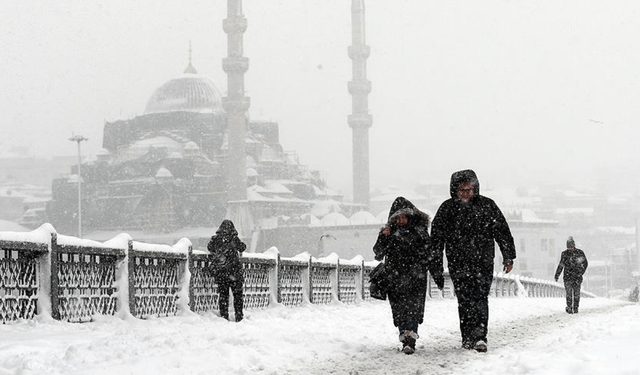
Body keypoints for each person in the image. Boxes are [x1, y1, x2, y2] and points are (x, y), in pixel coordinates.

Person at [430, 169, 516, 353]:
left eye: (469, 189)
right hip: (458, 262)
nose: (466, 194)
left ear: (475, 188)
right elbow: (436, 240)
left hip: (482, 261)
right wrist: (435, 265)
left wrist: (508, 256)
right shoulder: (447, 209)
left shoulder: (487, 206)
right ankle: (467, 337)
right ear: (454, 190)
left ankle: (479, 336)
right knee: (464, 299)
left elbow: (502, 231)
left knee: (480, 298)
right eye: (462, 190)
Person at [373, 197, 444, 355]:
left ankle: (409, 339)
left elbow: (431, 255)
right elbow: (378, 254)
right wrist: (383, 236)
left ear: (411, 216)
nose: (402, 220)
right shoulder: (390, 233)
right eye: (398, 217)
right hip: (395, 278)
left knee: (413, 308)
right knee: (399, 309)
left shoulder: (420, 232)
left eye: (404, 216)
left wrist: (437, 274)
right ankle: (405, 336)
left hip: (415, 278)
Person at [208, 219, 246, 322]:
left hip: (222, 273)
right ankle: (239, 316)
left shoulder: (216, 239)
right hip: (234, 272)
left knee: (223, 296)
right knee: (237, 296)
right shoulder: (234, 239)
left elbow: (210, 247)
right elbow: (242, 248)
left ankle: (224, 316)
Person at [554, 236, 588, 314]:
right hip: (568, 277)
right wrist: (557, 274)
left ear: (574, 246)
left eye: (571, 247)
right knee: (569, 293)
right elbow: (561, 265)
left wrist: (581, 272)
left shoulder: (579, 253)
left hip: (576, 277)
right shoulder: (564, 254)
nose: (570, 249)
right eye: (569, 247)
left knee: (576, 294)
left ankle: (575, 307)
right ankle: (569, 307)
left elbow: (585, 263)